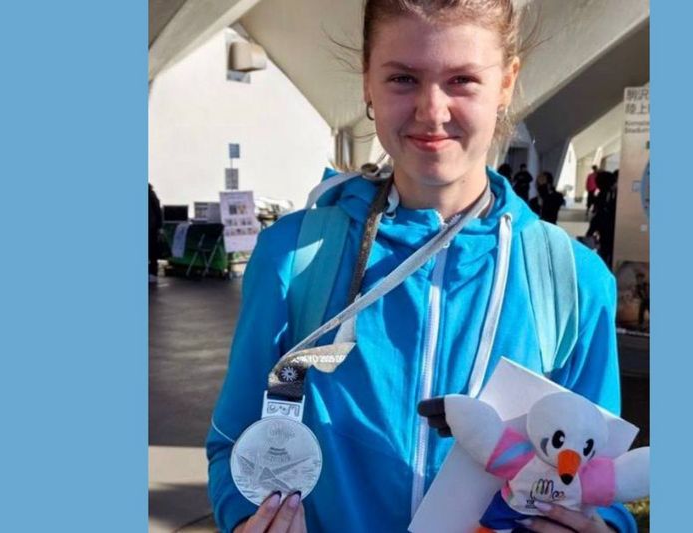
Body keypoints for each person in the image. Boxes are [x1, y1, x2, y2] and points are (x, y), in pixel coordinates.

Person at [207, 2, 635, 533]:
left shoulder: (572, 282)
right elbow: (234, 442)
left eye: (462, 80)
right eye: (403, 78)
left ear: (506, 83)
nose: (432, 112)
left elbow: (601, 484)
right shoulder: (296, 257)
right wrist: (247, 519)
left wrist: (599, 527)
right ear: (367, 82)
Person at [148, 183, 163, 283]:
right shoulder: (151, 194)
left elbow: (157, 211)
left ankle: (152, 273)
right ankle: (152, 274)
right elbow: (158, 210)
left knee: (151, 250)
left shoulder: (150, 194)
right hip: (151, 226)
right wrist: (159, 226)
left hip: (150, 226)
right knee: (152, 251)